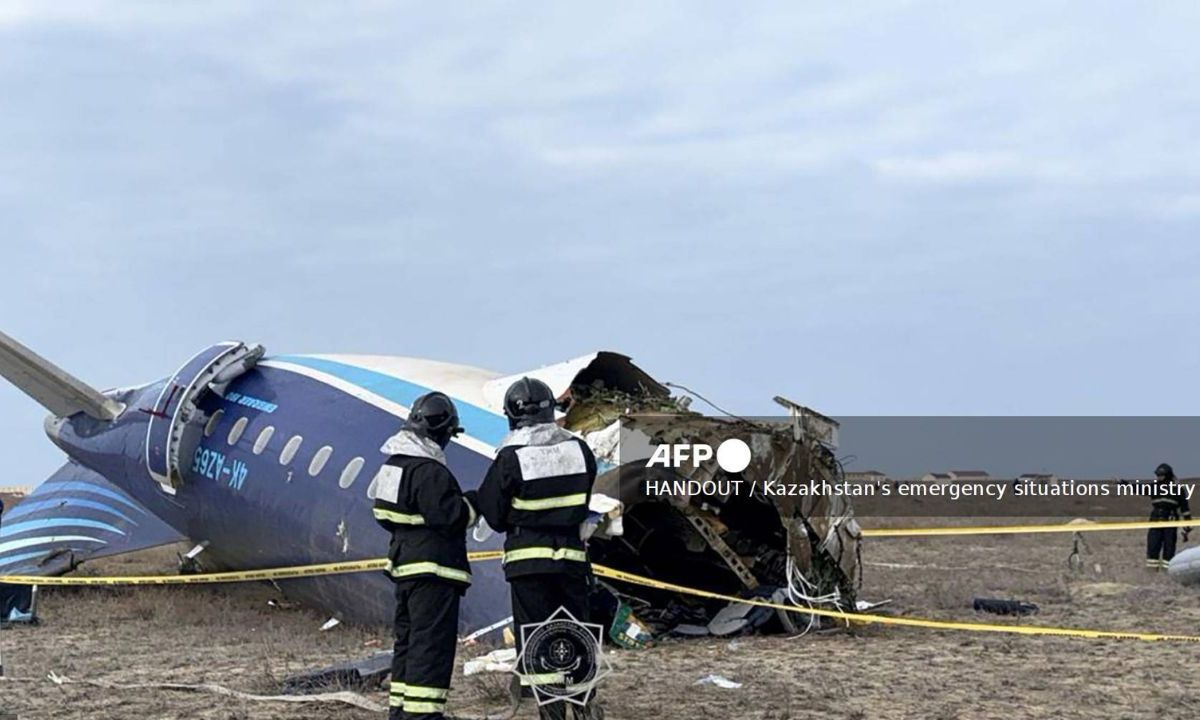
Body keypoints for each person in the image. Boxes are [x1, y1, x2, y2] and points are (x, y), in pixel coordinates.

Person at [475, 377, 598, 719]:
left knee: (538, 637)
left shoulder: (510, 458)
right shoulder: (580, 451)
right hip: (571, 560)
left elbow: (495, 515)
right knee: (576, 631)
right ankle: (584, 705)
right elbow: (584, 499)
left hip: (528, 564)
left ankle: (553, 712)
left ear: (512, 416)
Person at [373, 392, 477, 720]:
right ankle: (424, 715)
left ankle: (401, 711)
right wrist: (474, 502)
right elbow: (450, 517)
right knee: (431, 645)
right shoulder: (430, 471)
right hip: (434, 571)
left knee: (408, 642)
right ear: (442, 432)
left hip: (404, 567)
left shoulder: (392, 467)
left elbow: (383, 514)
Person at [1145, 462, 1192, 571]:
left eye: (1161, 475)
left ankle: (1168, 572)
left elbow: (1185, 510)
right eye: (1157, 475)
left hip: (1170, 522)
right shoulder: (1153, 487)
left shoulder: (1178, 490)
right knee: (1153, 546)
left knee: (1169, 548)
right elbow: (1137, 487)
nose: (1158, 477)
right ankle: (1152, 573)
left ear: (1168, 475)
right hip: (1155, 521)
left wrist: (1187, 527)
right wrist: (1122, 483)